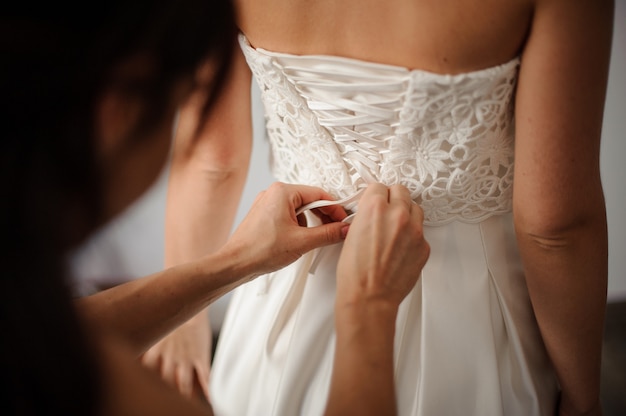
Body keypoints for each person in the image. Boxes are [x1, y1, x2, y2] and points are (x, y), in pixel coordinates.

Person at [160, 0, 614, 415]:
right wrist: (582, 395)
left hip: (288, 283)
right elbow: (555, 225)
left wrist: (183, 321)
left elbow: (211, 163)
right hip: (473, 307)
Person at [0, 1, 430, 415]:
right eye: (185, 97)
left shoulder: (29, 327)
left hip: (287, 292)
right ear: (117, 111)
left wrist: (229, 266)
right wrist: (368, 310)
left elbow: (214, 159)